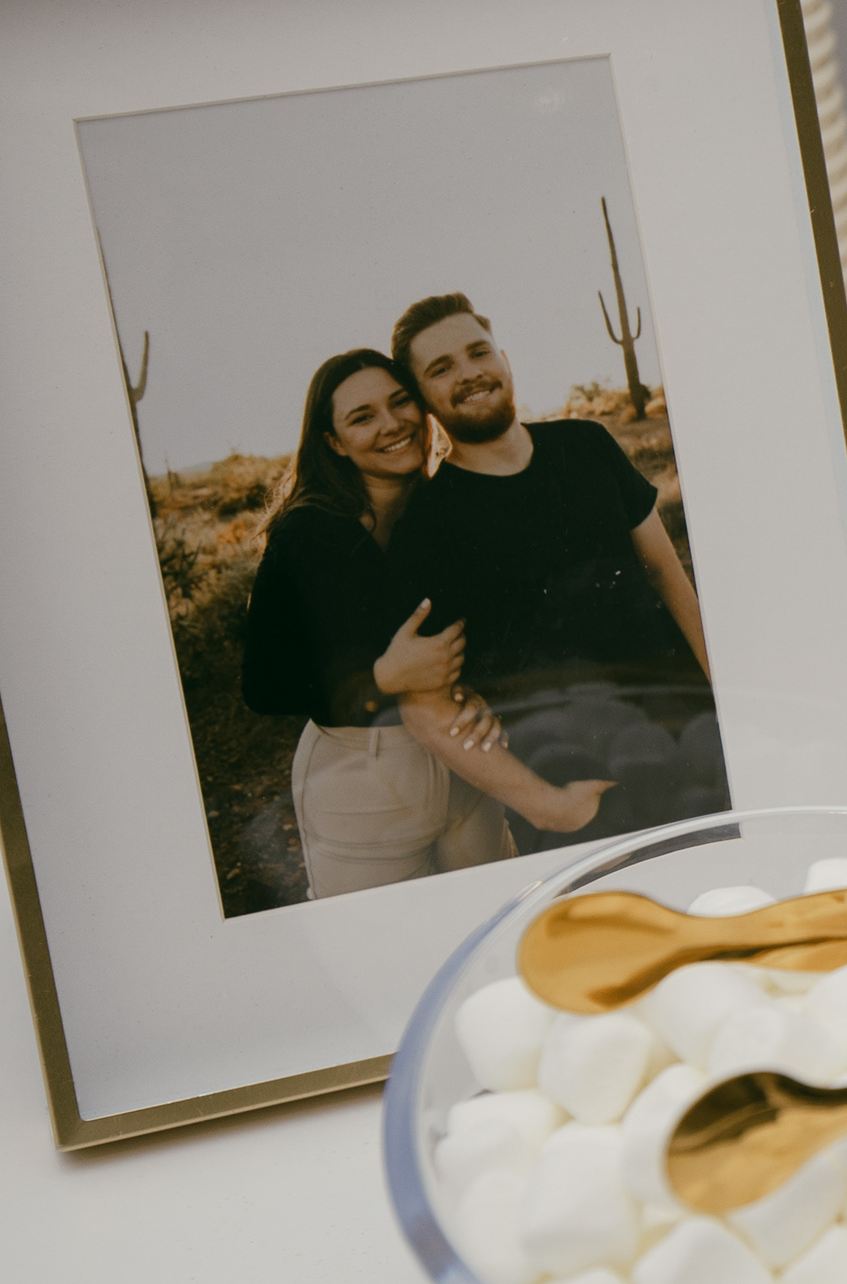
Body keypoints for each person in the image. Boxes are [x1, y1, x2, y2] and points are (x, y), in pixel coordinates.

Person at [240, 349, 616, 899]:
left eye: (400, 402)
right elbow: (263, 685)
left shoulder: (447, 508)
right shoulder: (307, 534)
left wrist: (477, 689)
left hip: (467, 761)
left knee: (497, 915)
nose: (392, 423)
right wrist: (382, 678)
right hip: (365, 776)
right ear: (334, 442)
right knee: (386, 937)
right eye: (362, 417)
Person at [388, 293, 724, 843]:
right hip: (572, 777)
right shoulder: (425, 523)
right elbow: (424, 701)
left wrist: (727, 698)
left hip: (691, 732)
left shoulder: (586, 444)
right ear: (423, 397)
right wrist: (546, 808)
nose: (468, 373)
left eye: (478, 352)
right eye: (441, 368)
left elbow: (668, 574)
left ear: (504, 360)